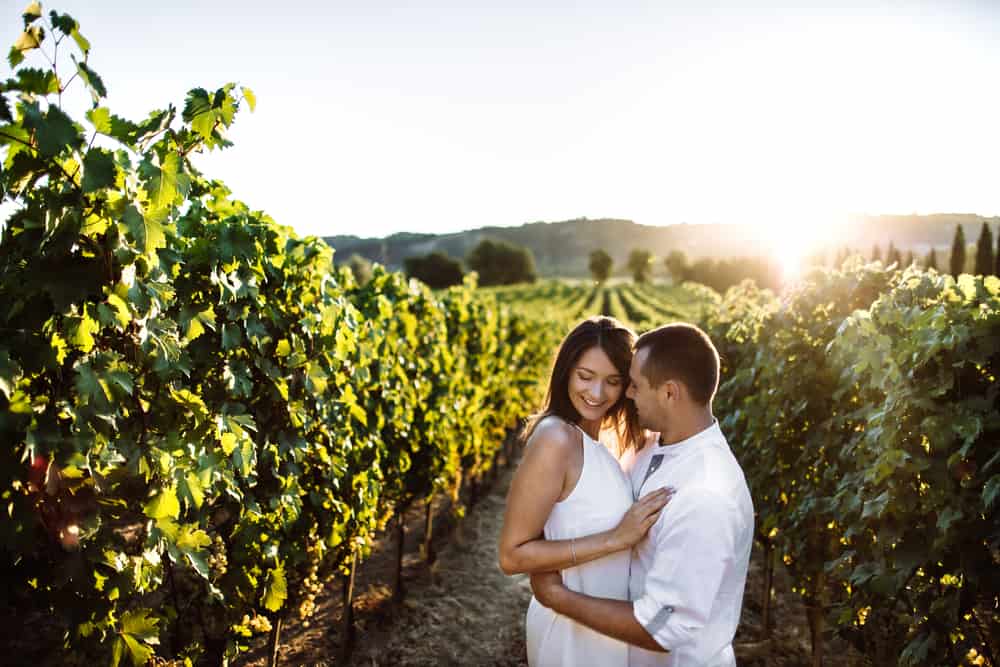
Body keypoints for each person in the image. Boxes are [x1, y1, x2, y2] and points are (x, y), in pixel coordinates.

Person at [530, 323, 754, 667]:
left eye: (634, 385)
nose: (627, 395)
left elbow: (662, 629)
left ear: (669, 393)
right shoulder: (653, 448)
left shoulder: (704, 495)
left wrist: (557, 597)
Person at [498, 316, 673, 667]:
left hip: (603, 626)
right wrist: (615, 538)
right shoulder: (556, 439)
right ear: (566, 371)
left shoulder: (603, 440)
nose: (596, 394)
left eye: (612, 381)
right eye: (585, 376)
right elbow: (512, 556)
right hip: (569, 634)